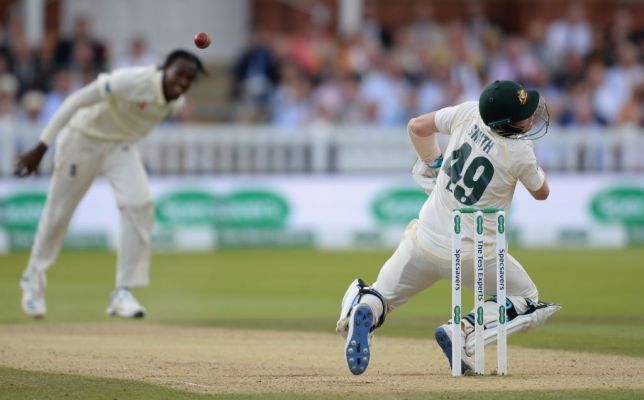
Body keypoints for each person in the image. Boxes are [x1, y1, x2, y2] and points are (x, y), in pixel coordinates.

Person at [336, 80, 561, 375]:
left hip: (424, 241)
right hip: (476, 257)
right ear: (507, 122)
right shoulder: (519, 152)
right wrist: (527, 159)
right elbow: (542, 192)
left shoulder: (468, 113)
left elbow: (417, 126)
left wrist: (433, 161)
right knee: (527, 297)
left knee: (381, 295)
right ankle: (464, 329)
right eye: (525, 113)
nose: (531, 115)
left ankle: (365, 308)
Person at [15, 49, 206, 318]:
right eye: (179, 74)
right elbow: (76, 100)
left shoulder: (175, 102)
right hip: (83, 138)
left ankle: (122, 292)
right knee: (58, 214)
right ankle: (32, 282)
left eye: (189, 79)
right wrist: (42, 146)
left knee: (140, 203)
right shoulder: (132, 80)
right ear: (165, 69)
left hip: (120, 146)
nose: (183, 83)